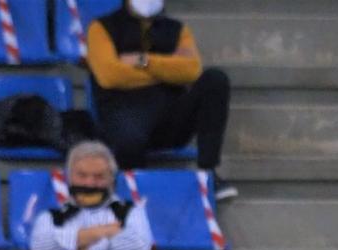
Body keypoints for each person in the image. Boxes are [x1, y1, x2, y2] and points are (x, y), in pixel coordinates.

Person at [86, 0, 237, 200]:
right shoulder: (101, 28)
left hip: (169, 121)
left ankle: (208, 174)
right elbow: (110, 75)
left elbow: (191, 70)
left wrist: (143, 61)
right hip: (124, 117)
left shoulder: (177, 30)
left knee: (215, 80)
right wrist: (168, 69)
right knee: (128, 136)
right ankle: (133, 192)